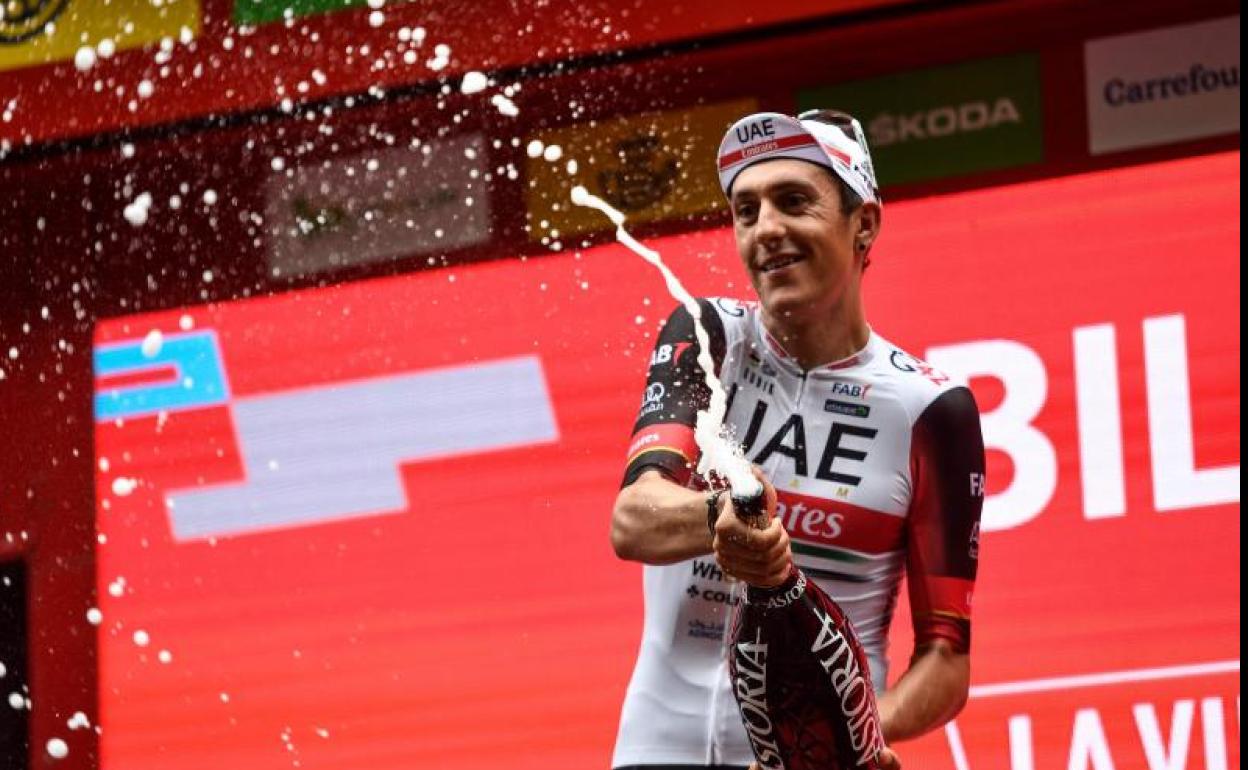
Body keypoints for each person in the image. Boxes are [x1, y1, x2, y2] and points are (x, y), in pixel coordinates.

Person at [609, 109, 986, 770]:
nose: (766, 229)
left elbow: (946, 656)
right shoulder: (708, 336)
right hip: (658, 749)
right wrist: (720, 517)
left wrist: (855, 738)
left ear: (863, 223)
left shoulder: (933, 407)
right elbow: (632, 520)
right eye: (746, 211)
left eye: (792, 202)